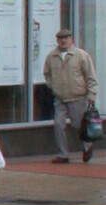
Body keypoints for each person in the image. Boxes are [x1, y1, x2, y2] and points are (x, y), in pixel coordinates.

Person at [41, 27, 98, 164]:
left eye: (66, 38)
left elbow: (90, 76)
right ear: (57, 41)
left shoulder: (81, 55)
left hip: (77, 96)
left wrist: (91, 93)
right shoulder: (51, 56)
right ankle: (63, 154)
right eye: (61, 39)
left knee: (78, 125)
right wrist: (53, 86)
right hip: (60, 97)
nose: (63, 41)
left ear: (71, 39)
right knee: (58, 125)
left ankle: (87, 147)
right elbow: (47, 74)